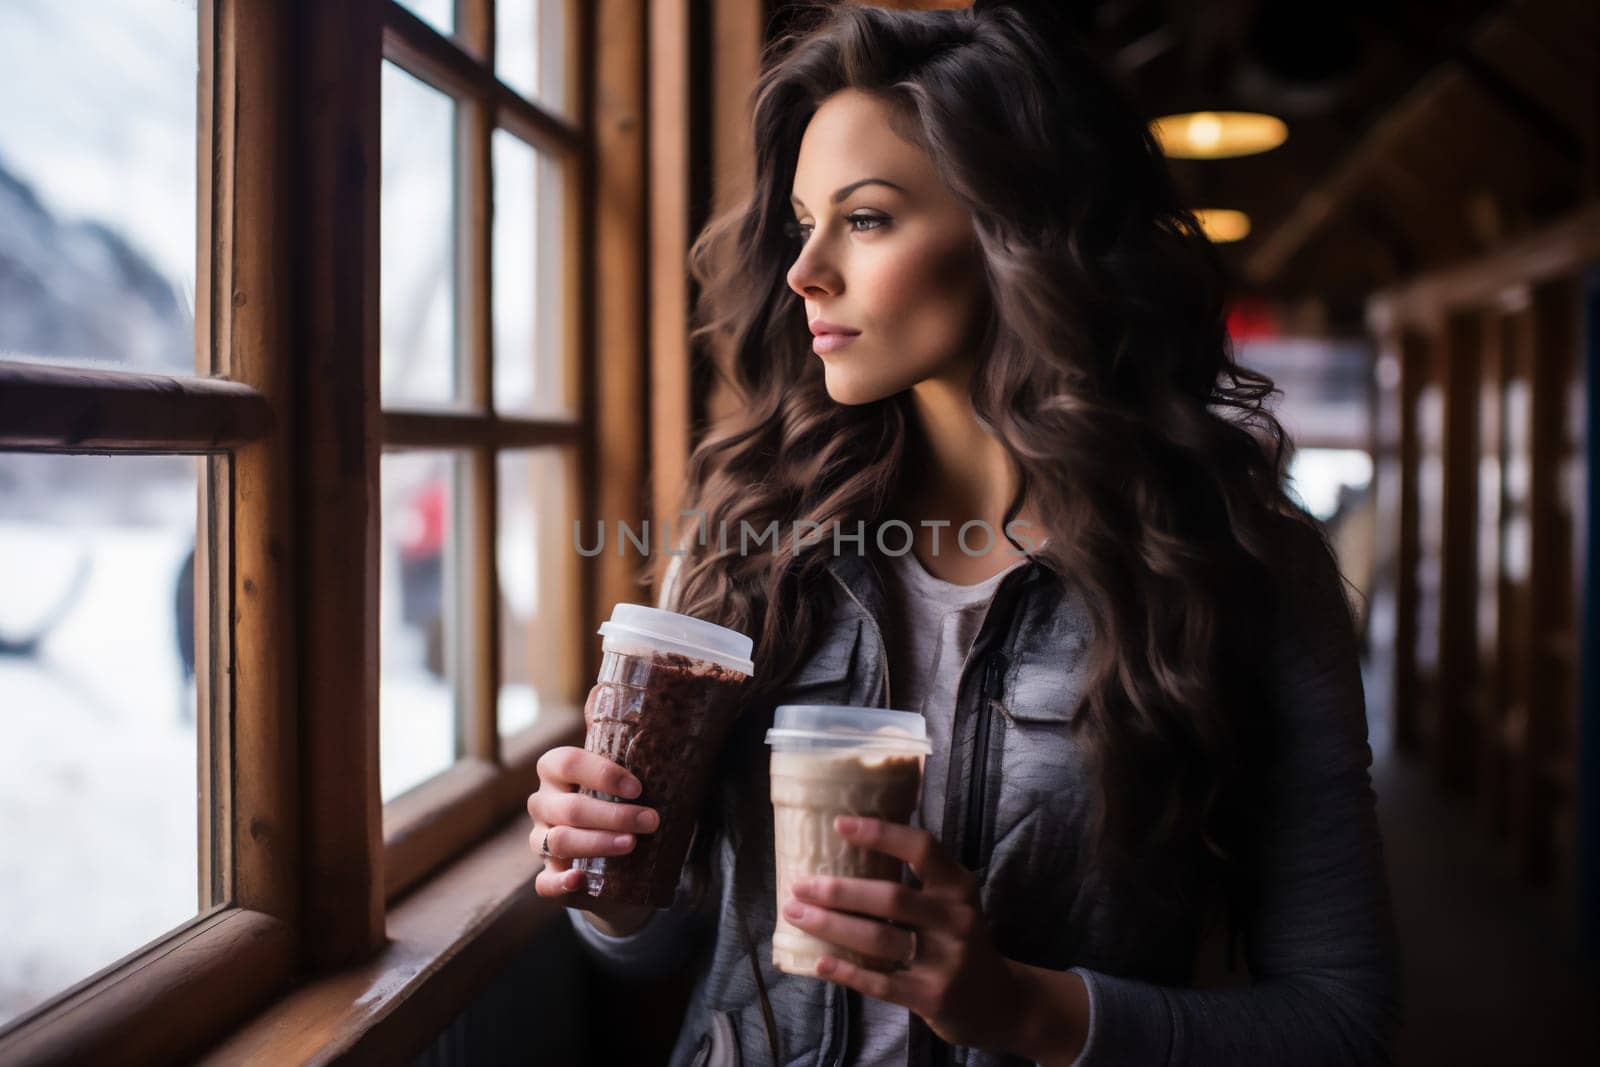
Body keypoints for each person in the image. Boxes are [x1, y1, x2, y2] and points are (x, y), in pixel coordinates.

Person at [525, 2, 1401, 1064]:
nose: (803, 271)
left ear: (1015, 230)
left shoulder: (1235, 568)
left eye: (867, 218)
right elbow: (656, 944)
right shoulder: (748, 528)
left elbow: (1342, 1021)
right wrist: (606, 869)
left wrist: (1019, 1009)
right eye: (803, 220)